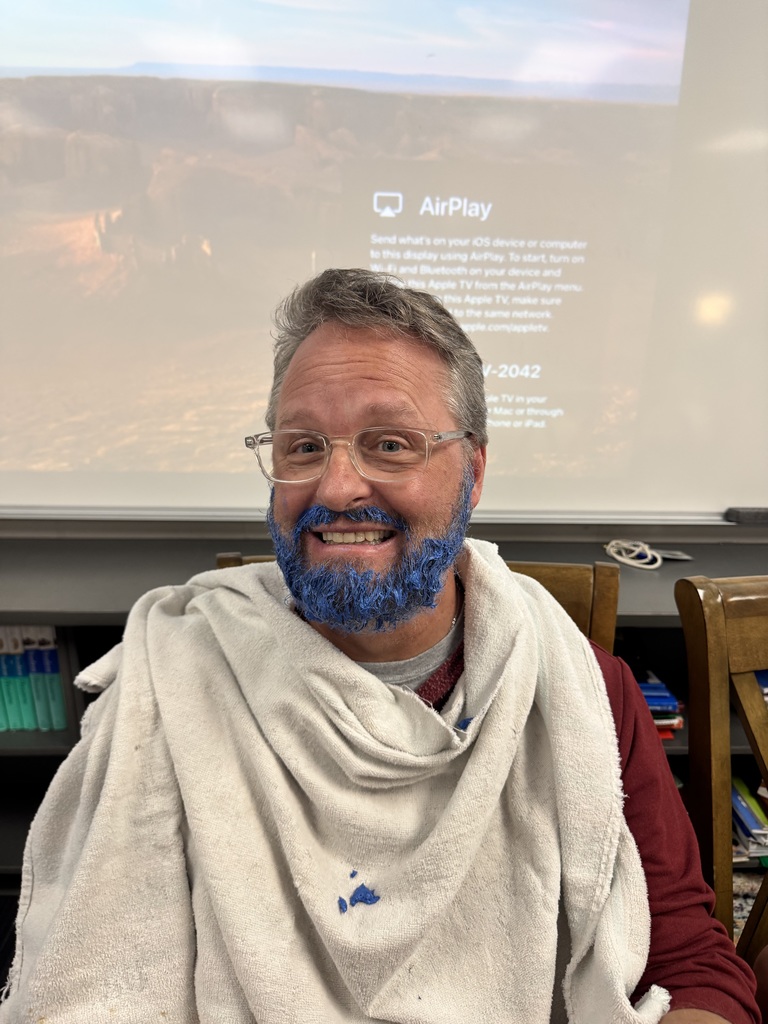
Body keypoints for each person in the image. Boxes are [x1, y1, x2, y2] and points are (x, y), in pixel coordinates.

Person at [0, 269, 759, 1024]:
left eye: (389, 444)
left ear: (475, 472)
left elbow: (690, 963)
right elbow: (97, 976)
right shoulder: (174, 681)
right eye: (302, 447)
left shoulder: (581, 694)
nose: (335, 488)